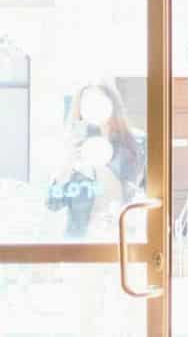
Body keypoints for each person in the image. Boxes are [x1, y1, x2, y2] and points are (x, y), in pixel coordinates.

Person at [47, 81, 147, 239]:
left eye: (99, 101)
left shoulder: (137, 143)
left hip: (122, 239)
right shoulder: (71, 146)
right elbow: (53, 203)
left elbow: (152, 192)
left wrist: (132, 214)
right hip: (81, 244)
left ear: (112, 105)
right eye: (87, 103)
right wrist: (68, 162)